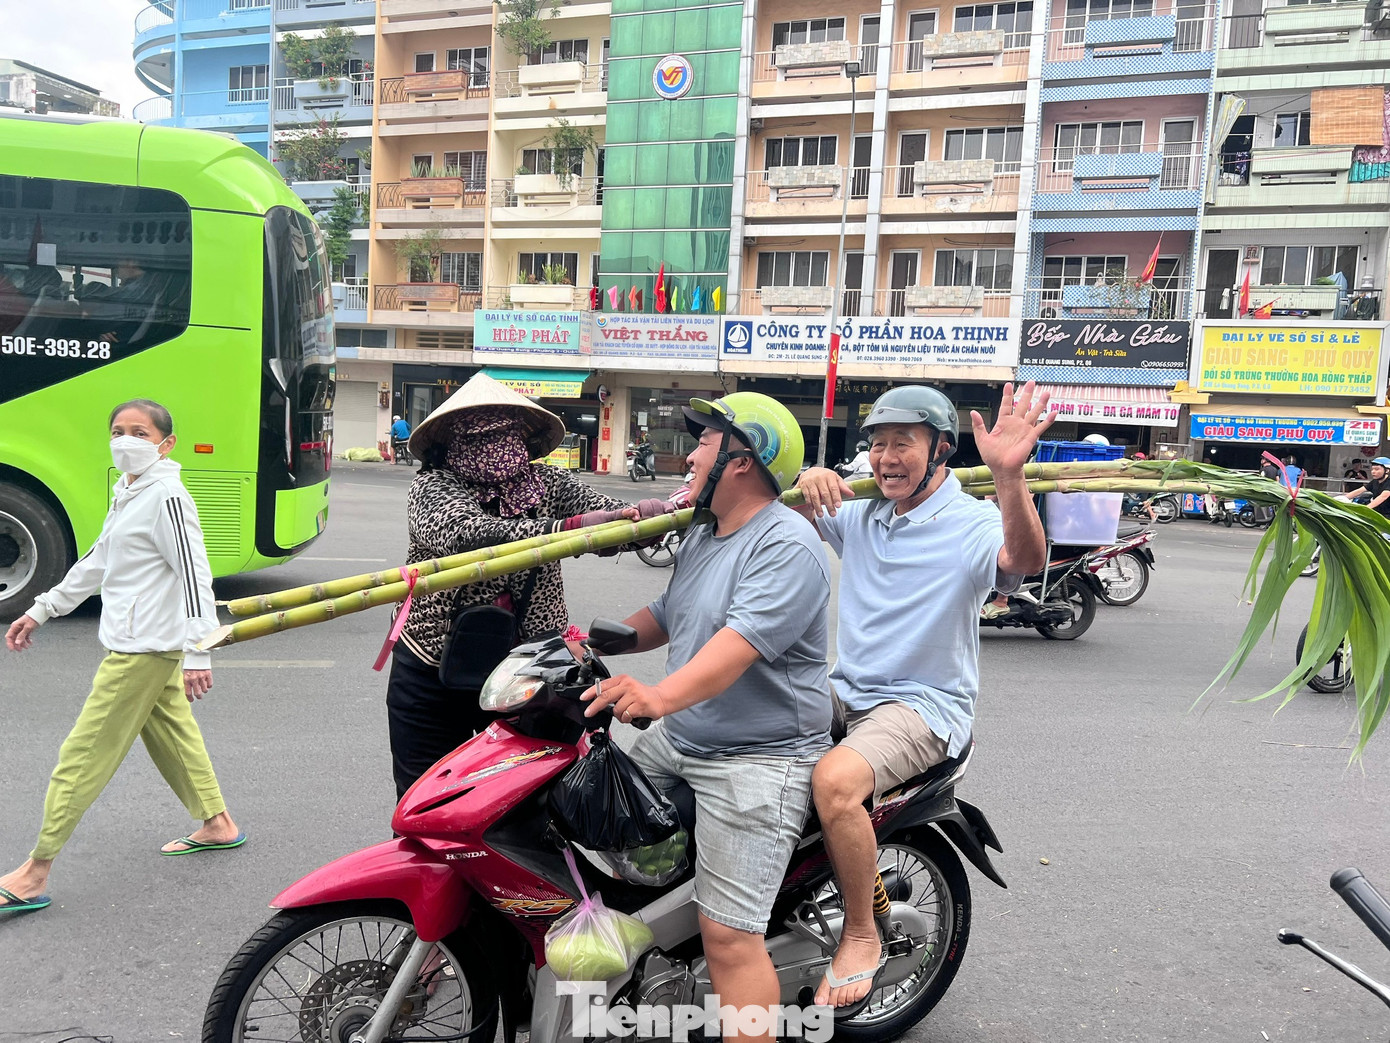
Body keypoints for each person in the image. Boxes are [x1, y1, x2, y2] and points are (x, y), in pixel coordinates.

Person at [794, 382, 1054, 1007]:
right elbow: (793, 516)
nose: (887, 457)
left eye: (903, 444)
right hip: (847, 691)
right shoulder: (864, 510)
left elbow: (1023, 560)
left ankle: (862, 935)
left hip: (923, 706)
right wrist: (809, 481)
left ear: (939, 450)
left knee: (834, 782)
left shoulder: (970, 522)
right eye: (878, 443)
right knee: (742, 718)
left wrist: (1009, 476)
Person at [581, 392, 831, 1042]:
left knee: (728, 936)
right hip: (685, 737)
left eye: (705, 443)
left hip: (757, 758)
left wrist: (657, 697)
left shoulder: (787, 544)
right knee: (582, 806)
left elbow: (735, 647)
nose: (691, 456)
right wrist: (587, 646)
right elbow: (670, 614)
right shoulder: (703, 532)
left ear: (743, 460)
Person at [1, 399, 241, 915]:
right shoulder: (129, 491)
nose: (126, 440)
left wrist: (200, 649)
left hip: (143, 649)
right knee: (174, 734)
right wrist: (43, 608)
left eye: (140, 432)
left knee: (82, 755)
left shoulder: (167, 497)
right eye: (118, 431)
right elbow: (97, 560)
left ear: (166, 444)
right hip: (138, 639)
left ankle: (34, 872)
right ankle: (218, 823)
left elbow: (195, 575)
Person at [385, 373, 671, 799]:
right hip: (433, 667)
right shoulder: (432, 486)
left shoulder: (547, 483)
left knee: (535, 801)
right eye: (481, 437)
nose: (497, 447)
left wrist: (641, 521)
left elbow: (605, 513)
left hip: (531, 670)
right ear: (453, 441)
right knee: (426, 801)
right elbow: (470, 536)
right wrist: (567, 529)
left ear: (523, 437)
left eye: (507, 434)